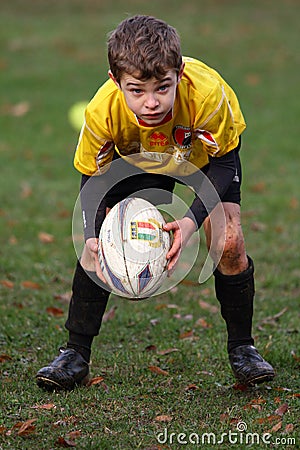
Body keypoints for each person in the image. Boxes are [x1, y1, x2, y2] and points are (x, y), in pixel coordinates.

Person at [36, 15, 275, 391]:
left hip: (202, 160)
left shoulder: (208, 95)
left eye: (163, 88)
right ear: (116, 82)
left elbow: (225, 163)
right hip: (136, 158)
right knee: (95, 247)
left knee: (230, 243)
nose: (151, 102)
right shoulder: (102, 112)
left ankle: (243, 349)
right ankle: (75, 354)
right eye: (136, 91)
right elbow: (92, 178)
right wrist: (91, 234)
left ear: (179, 73)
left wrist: (191, 221)